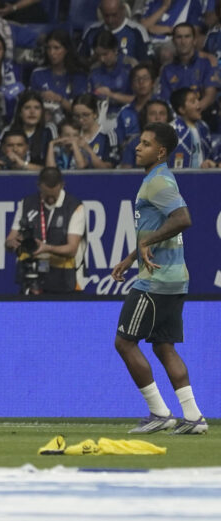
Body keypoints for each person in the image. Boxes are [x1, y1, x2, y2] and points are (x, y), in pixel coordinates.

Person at [110, 121, 207, 435]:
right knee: (164, 347)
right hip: (176, 279)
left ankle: (158, 412)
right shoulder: (159, 179)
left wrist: (146, 244)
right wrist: (130, 258)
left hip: (156, 280)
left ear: (161, 151)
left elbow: (183, 219)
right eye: (139, 142)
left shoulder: (158, 182)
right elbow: (154, 228)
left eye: (146, 143)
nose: (138, 147)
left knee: (125, 342)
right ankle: (193, 417)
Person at [4, 167, 85, 294]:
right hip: (32, 274)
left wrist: (46, 248)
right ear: (39, 186)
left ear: (62, 185)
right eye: (46, 194)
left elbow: (72, 249)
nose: (50, 199)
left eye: (54, 195)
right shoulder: (26, 203)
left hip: (64, 277)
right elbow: (9, 240)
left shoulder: (74, 207)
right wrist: (12, 243)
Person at [159, 23, 220, 114]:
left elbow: (210, 97)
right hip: (177, 119)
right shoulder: (167, 70)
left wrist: (191, 113)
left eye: (187, 37)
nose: (183, 42)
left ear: (194, 40)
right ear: (173, 41)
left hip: (205, 115)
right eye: (179, 37)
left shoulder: (207, 64)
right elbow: (166, 100)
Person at [30, 29, 88, 123]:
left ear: (66, 50)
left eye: (57, 48)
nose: (52, 53)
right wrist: (40, 96)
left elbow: (81, 112)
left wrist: (59, 99)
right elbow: (29, 104)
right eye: (49, 48)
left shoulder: (79, 76)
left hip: (72, 126)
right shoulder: (37, 74)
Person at [0, 90, 57, 166]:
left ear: (42, 112)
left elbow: (52, 167)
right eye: (27, 108)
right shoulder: (8, 130)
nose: (32, 112)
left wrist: (23, 165)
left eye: (37, 108)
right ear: (20, 112)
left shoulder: (49, 129)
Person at [79, 0, 151, 63]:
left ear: (123, 9)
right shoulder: (92, 31)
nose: (110, 20)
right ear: (101, 11)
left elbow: (145, 63)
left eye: (114, 15)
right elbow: (80, 61)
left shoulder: (136, 31)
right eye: (106, 15)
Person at [87, 30, 135, 118]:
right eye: (98, 55)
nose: (102, 59)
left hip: (128, 114)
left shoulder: (130, 66)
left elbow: (139, 100)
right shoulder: (94, 70)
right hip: (100, 116)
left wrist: (111, 95)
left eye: (105, 54)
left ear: (115, 50)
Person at [169, 88, 216, 169]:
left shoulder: (204, 127)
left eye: (198, 100)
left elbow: (209, 154)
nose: (199, 104)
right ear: (182, 109)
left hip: (202, 177)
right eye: (193, 101)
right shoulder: (171, 129)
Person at [71, 93, 118, 169]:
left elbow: (107, 169)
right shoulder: (72, 134)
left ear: (95, 114)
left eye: (85, 115)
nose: (81, 119)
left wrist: (87, 148)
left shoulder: (107, 135)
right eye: (77, 116)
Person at [119, 99, 171, 168]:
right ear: (145, 117)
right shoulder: (134, 143)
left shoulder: (178, 142)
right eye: (152, 114)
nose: (158, 118)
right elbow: (125, 174)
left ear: (168, 117)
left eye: (162, 114)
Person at [115, 63, 156, 148]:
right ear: (132, 85)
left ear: (152, 83)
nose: (141, 82)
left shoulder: (163, 108)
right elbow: (120, 143)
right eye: (137, 79)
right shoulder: (124, 113)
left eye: (145, 78)